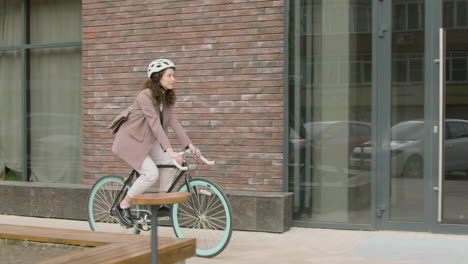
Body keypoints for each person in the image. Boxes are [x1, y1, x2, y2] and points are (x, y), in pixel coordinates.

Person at [111, 58, 201, 227]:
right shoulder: (144, 96)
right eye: (169, 76)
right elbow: (154, 124)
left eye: (174, 75)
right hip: (130, 142)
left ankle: (162, 202)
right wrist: (168, 149)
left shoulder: (165, 99)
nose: (173, 79)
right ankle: (123, 206)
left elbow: (174, 123)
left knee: (174, 162)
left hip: (147, 141)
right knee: (151, 173)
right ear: (158, 77)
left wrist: (189, 146)